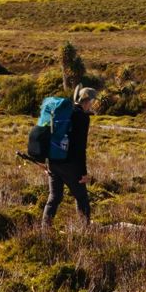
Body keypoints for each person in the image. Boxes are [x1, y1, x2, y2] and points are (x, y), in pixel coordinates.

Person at [43, 87, 97, 227]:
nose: (92, 104)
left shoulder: (63, 113)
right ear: (87, 100)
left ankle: (44, 230)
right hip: (70, 164)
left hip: (53, 161)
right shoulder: (82, 118)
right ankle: (85, 231)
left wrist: (48, 161)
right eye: (92, 101)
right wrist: (83, 173)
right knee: (82, 198)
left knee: (54, 197)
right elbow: (80, 147)